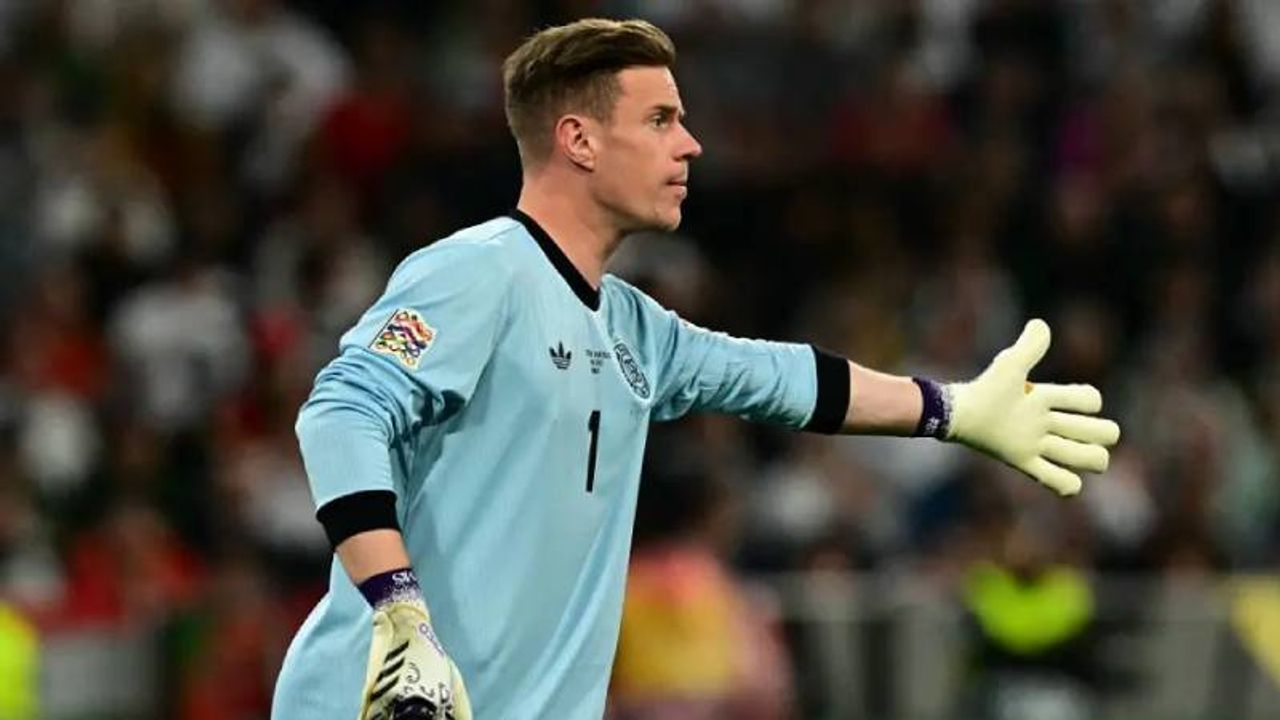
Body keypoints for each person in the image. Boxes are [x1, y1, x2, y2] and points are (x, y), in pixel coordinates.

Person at [269, 18, 1120, 720]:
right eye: (660, 120)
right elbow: (342, 412)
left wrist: (950, 409)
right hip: (382, 705)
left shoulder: (636, 328)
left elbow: (784, 379)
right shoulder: (479, 272)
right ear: (579, 140)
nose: (691, 144)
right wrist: (398, 607)